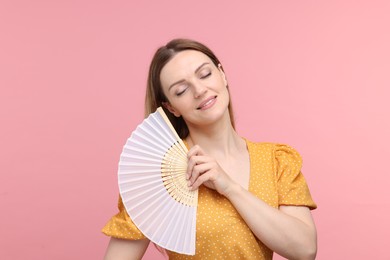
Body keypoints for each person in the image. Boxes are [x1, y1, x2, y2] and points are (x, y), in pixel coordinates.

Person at [102, 38, 317, 260]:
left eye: (205, 74)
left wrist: (230, 188)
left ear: (222, 74)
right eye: (181, 90)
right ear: (171, 107)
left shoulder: (276, 161)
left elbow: (305, 250)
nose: (199, 90)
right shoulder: (160, 174)